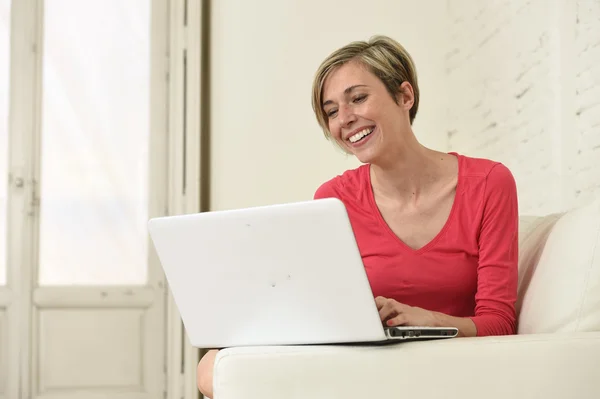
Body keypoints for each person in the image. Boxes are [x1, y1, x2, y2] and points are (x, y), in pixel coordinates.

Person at [197, 35, 519, 398]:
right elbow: (321, 310)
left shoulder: (490, 183)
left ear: (405, 96)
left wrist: (429, 320)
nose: (346, 119)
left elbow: (500, 323)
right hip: (363, 367)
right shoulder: (334, 199)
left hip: (449, 369)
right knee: (213, 367)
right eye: (332, 111)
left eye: (358, 98)